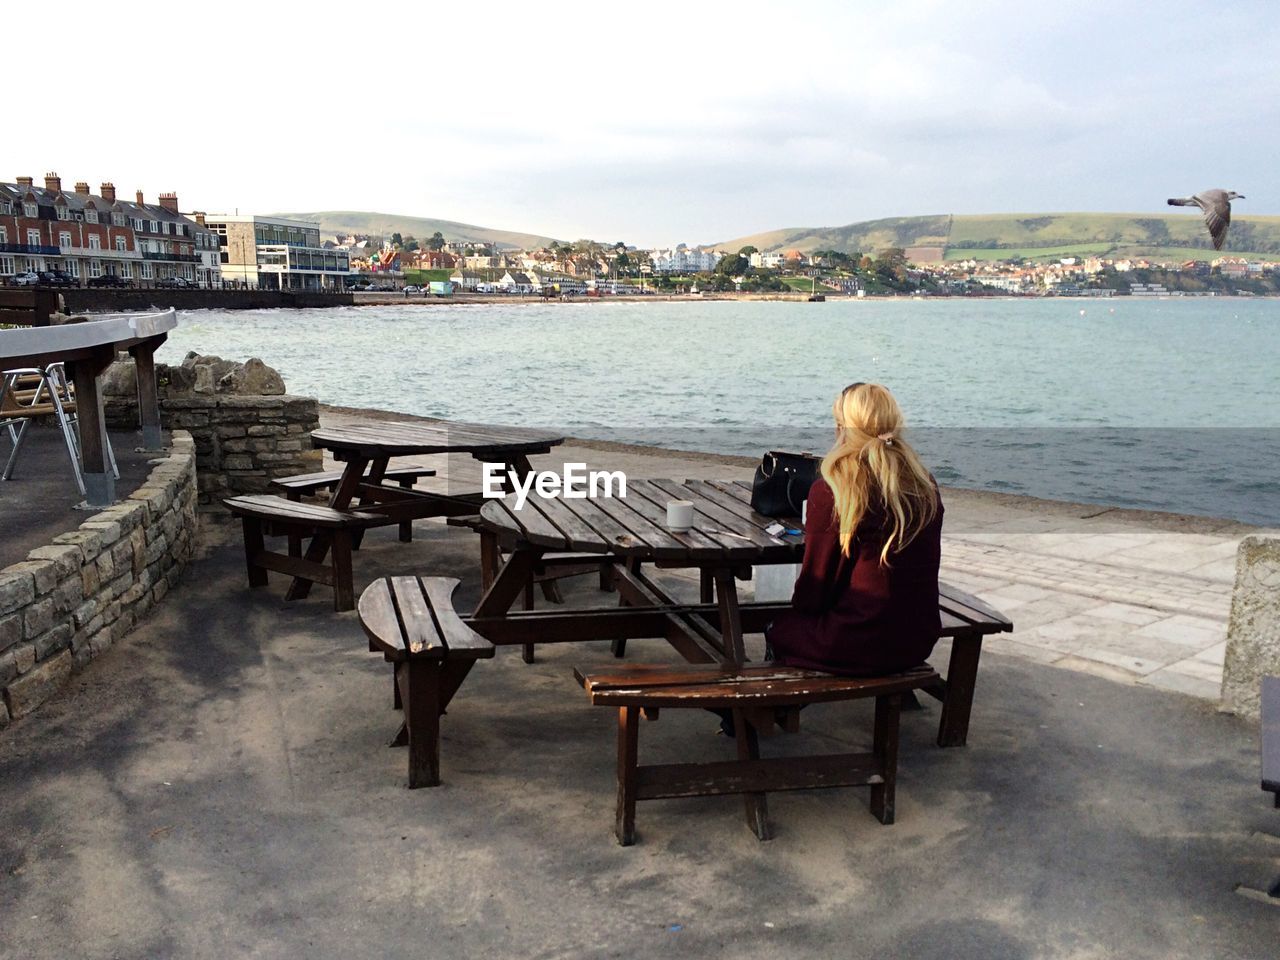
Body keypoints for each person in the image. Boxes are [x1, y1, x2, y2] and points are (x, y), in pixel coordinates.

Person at [765, 382, 944, 676]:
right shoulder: (924, 484)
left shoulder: (835, 491)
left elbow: (813, 592)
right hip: (916, 640)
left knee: (778, 627)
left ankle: (763, 711)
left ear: (841, 428)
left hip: (855, 642)